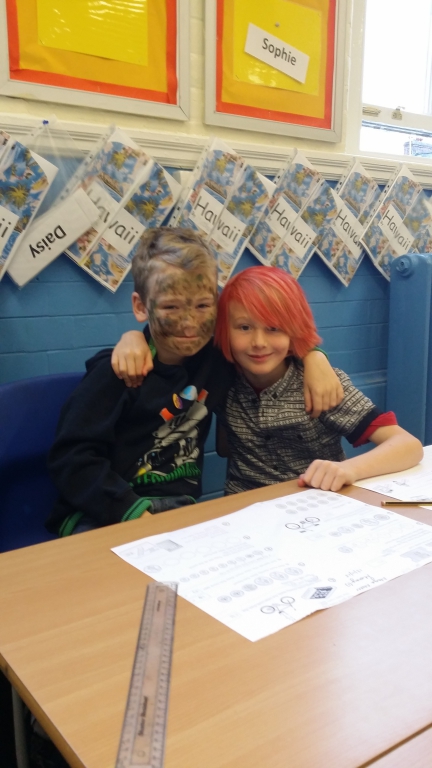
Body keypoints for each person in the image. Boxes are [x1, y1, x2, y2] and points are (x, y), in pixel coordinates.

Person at [46, 230, 340, 536]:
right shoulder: (118, 372)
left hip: (179, 509)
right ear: (141, 307)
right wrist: (135, 515)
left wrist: (314, 356)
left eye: (202, 306)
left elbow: (274, 344)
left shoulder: (218, 361)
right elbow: (71, 459)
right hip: (105, 512)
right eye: (171, 307)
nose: (189, 323)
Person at [112, 266, 422, 495]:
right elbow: (169, 347)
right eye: (244, 327)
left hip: (316, 507)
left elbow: (407, 445)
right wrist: (133, 338)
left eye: (273, 328)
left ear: (293, 330)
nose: (258, 343)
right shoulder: (219, 374)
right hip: (243, 511)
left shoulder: (320, 384)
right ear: (224, 330)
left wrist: (348, 469)